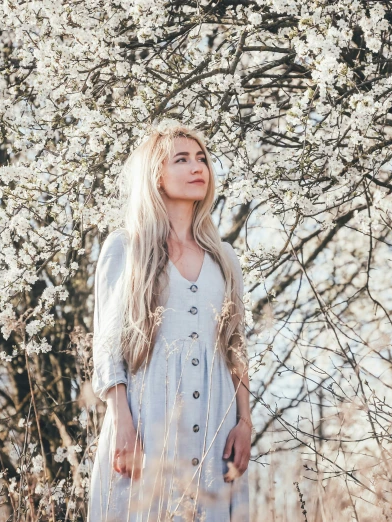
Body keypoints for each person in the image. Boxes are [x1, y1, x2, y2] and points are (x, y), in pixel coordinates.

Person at [87, 121, 251, 521]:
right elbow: (108, 348)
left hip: (217, 422)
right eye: (182, 159)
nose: (198, 167)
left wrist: (245, 422)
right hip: (148, 418)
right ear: (156, 176)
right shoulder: (126, 248)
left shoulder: (224, 258)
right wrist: (122, 422)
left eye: (201, 159)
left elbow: (236, 348)